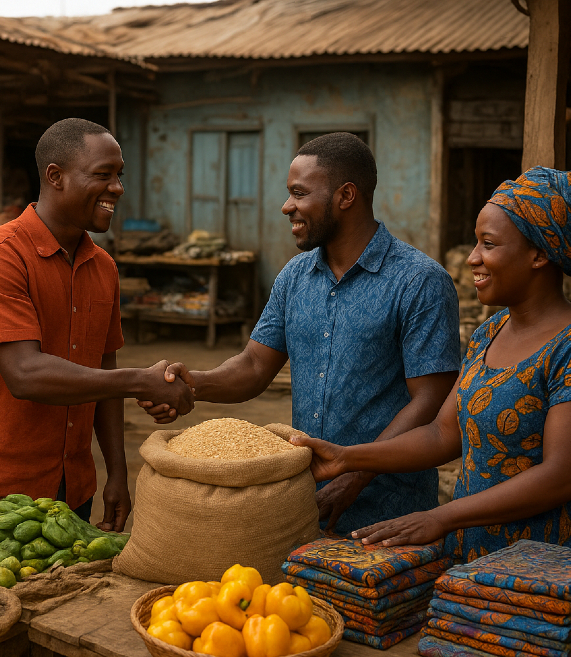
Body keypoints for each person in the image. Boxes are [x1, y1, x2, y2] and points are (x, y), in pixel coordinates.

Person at [140, 133, 461, 535]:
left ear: (346, 196)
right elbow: (255, 365)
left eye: (299, 193)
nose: (286, 206)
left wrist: (355, 471)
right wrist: (194, 384)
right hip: (305, 502)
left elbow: (430, 401)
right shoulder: (294, 277)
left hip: (392, 513)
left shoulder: (419, 282)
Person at [305, 167, 571, 562]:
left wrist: (441, 517)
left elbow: (563, 476)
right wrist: (346, 457)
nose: (473, 258)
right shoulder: (489, 333)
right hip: (479, 553)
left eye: (489, 244)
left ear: (540, 254)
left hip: (555, 562)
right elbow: (442, 435)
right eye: (476, 243)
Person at [0, 118, 193, 532]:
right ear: (55, 177)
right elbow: (25, 374)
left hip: (72, 489)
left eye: (119, 176)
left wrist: (116, 472)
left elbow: (103, 373)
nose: (117, 188)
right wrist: (141, 382)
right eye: (103, 175)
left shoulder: (104, 268)